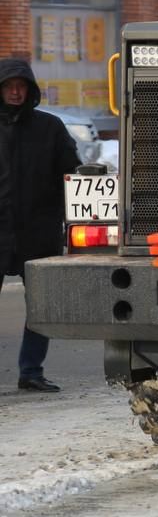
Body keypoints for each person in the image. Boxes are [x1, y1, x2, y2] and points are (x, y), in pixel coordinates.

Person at [0, 57, 80, 392]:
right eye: (9, 86)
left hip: (40, 230)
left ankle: (31, 371)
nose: (16, 92)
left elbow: (71, 173)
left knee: (41, 307)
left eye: (22, 87)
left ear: (31, 90)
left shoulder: (50, 127)